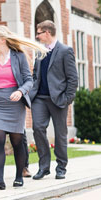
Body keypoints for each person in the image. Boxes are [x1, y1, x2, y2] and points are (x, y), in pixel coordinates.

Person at [0, 25, 47, 190]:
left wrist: (20, 91)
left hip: (15, 103)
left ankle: (18, 175)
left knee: (17, 142)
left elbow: (29, 80)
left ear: (2, 40)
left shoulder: (19, 57)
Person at [29, 20, 78, 180]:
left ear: (47, 33)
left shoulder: (65, 51)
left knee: (60, 134)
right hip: (39, 99)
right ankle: (44, 167)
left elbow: (73, 79)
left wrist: (67, 99)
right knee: (37, 128)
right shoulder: (39, 51)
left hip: (58, 100)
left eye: (39, 33)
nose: (37, 36)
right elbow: (36, 74)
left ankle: (61, 167)